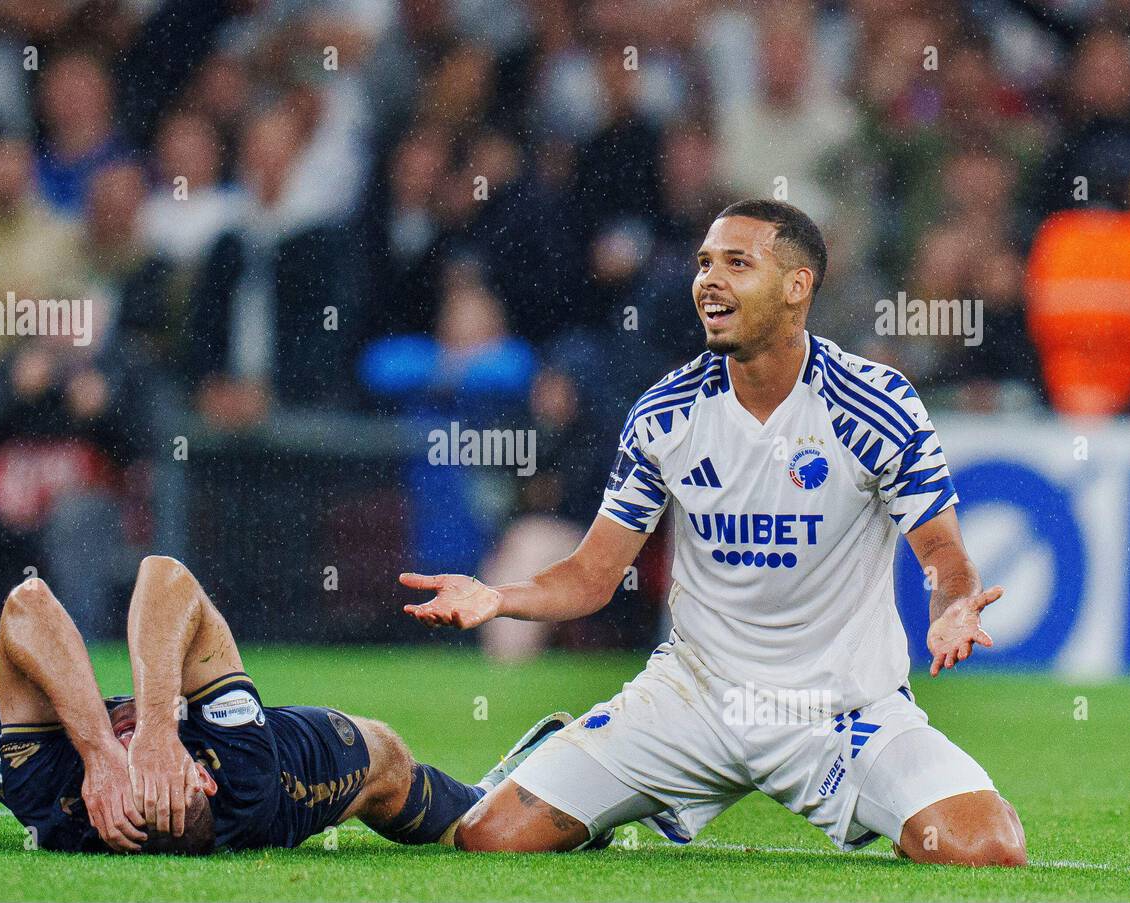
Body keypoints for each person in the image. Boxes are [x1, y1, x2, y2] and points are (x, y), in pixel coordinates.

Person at [401, 199, 1028, 867]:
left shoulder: (874, 404)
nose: (709, 279)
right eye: (704, 263)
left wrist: (953, 603)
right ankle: (572, 754)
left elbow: (941, 553)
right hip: (692, 701)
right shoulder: (665, 413)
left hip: (838, 711)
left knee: (986, 848)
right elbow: (591, 575)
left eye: (737, 262)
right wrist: (500, 598)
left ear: (797, 286)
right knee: (489, 836)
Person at [0, 556, 563, 854]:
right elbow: (167, 574)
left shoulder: (56, 795)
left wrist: (97, 746)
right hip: (278, 777)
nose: (135, 756)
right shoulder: (242, 771)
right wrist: (156, 727)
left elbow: (25, 605)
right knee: (387, 768)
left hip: (76, 752)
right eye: (149, 769)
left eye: (135, 772)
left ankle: (67, 710)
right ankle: (502, 787)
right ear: (201, 774)